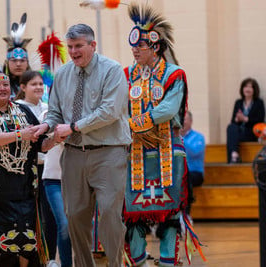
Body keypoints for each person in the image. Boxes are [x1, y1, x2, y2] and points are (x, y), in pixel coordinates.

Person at [33, 23, 131, 267]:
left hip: (109, 152)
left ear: (93, 45)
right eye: (70, 47)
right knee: (74, 218)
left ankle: (115, 264)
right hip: (74, 154)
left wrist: (74, 127)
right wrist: (46, 126)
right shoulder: (63, 74)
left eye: (79, 46)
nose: (74, 51)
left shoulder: (112, 70)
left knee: (109, 214)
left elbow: (110, 111)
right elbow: (55, 112)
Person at [122, 3, 204, 266]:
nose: (134, 50)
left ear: (155, 46)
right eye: (133, 45)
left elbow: (168, 109)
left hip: (168, 151)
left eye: (140, 46)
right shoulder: (126, 75)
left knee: (169, 212)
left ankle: (168, 261)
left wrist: (133, 123)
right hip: (135, 156)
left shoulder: (174, 75)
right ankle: (140, 262)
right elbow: (115, 107)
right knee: (133, 212)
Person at [0, 70, 58, 267]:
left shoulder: (23, 112)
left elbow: (39, 144)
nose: (2, 88)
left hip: (22, 192)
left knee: (26, 244)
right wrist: (19, 135)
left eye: (5, 85)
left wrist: (55, 140)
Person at [16, 70, 69, 266]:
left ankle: (51, 259)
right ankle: (34, 259)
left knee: (53, 218)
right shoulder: (19, 109)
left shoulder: (46, 108)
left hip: (51, 168)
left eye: (40, 84)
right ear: (23, 87)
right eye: (33, 84)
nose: (38, 87)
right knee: (31, 217)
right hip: (28, 169)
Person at [226, 77, 265, 163]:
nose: (247, 89)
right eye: (245, 86)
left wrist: (246, 119)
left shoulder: (259, 103)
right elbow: (233, 121)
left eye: (250, 87)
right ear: (242, 89)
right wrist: (237, 119)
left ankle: (233, 156)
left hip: (251, 132)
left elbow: (260, 120)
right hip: (239, 131)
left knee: (233, 134)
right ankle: (234, 154)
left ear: (254, 90)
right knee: (231, 127)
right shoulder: (238, 102)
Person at [181, 111, 205, 214]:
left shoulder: (199, 137)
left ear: (191, 121)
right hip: (178, 173)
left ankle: (186, 213)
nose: (182, 121)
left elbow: (194, 152)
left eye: (184, 119)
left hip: (195, 173)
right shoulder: (172, 137)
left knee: (186, 177)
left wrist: (180, 137)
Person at [3, 13, 31, 99]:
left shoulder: (37, 84)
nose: (18, 64)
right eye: (14, 60)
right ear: (7, 63)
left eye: (22, 60)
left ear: (27, 63)